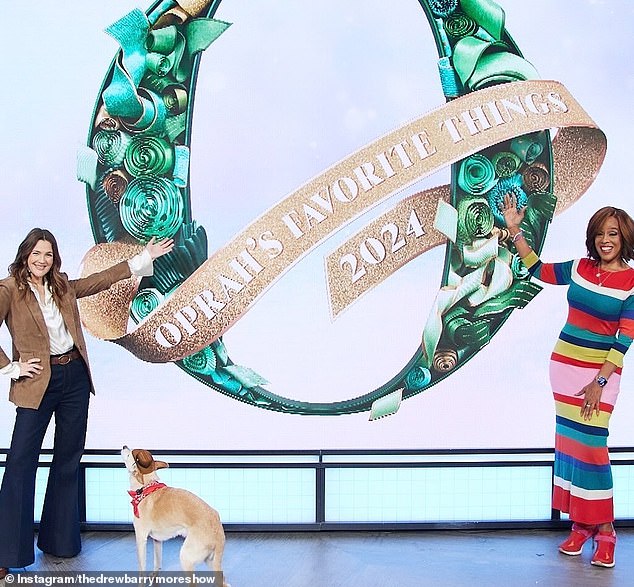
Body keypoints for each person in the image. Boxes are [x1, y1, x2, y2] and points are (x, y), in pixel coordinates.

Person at [0, 228, 173, 577]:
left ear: (54, 258)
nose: (42, 260)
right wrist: (12, 367)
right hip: (35, 383)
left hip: (74, 378)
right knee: (20, 464)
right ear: (25, 255)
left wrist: (144, 259)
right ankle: (6, 553)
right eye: (36, 254)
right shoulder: (8, 290)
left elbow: (99, 281)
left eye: (48, 254)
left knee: (67, 460)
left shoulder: (61, 285)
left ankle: (59, 542)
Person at [503, 197, 634, 569]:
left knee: (592, 450)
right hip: (564, 369)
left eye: (613, 234)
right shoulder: (579, 268)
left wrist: (599, 381)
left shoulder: (633, 281)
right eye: (599, 234)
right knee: (571, 447)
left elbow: (625, 336)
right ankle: (581, 525)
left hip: (601, 376)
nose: (605, 240)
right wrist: (515, 228)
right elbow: (538, 270)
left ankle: (606, 531)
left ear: (625, 238)